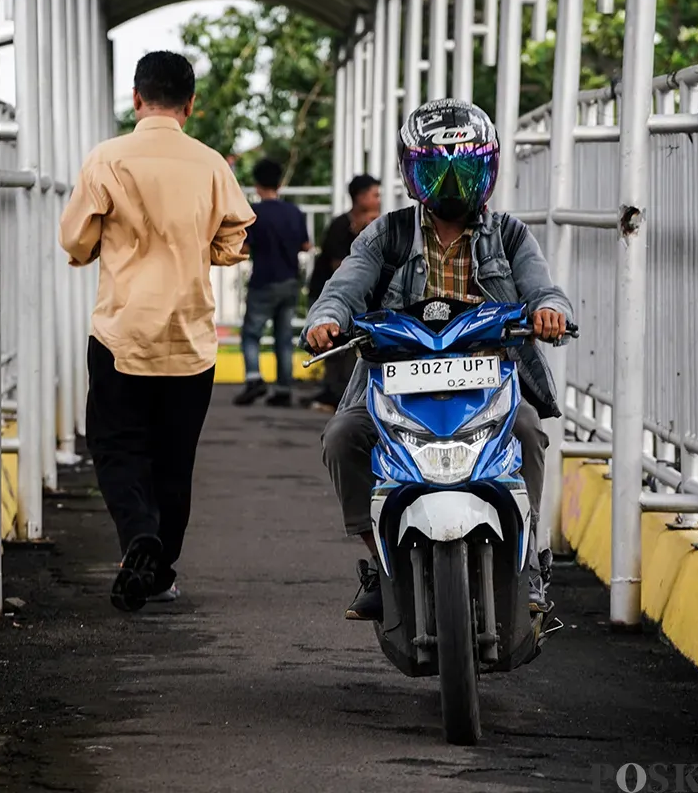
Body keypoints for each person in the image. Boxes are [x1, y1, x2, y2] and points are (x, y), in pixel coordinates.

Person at [301, 99, 573, 621]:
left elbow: (543, 287)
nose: (452, 182)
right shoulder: (387, 233)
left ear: (487, 168)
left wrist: (549, 311)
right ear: (410, 172)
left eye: (465, 166)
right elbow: (345, 286)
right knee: (342, 438)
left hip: (487, 382)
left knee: (527, 432)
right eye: (435, 168)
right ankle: (381, 561)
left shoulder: (510, 234)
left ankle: (528, 565)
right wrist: (326, 318)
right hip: (395, 384)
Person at [59, 50, 256, 612]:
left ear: (137, 99)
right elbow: (234, 238)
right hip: (191, 337)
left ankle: (138, 536)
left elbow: (74, 239)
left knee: (117, 444)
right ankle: (161, 569)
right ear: (190, 105)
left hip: (122, 332)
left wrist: (102, 244)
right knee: (175, 457)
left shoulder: (108, 158)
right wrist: (203, 251)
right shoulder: (212, 163)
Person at [233, 158, 312, 408]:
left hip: (263, 280)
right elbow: (305, 245)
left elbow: (244, 247)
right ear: (279, 183)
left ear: (257, 185)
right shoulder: (294, 212)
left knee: (251, 333)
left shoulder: (254, 213)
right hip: (289, 281)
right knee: (283, 336)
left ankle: (254, 378)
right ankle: (283, 388)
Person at [305, 174, 382, 413]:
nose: (378, 200)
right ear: (360, 198)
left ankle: (341, 392)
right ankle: (335, 393)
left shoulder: (381, 226)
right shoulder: (341, 226)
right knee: (334, 344)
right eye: (374, 194)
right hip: (328, 294)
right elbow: (341, 268)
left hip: (361, 299)